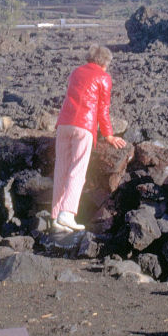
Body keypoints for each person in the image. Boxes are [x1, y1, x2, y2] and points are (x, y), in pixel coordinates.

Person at [51, 45, 126, 232]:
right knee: (77, 169)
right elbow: (103, 109)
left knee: (61, 169)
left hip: (64, 124)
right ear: (105, 62)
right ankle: (67, 214)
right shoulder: (104, 77)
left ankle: (55, 217)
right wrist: (108, 135)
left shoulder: (76, 72)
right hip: (83, 126)